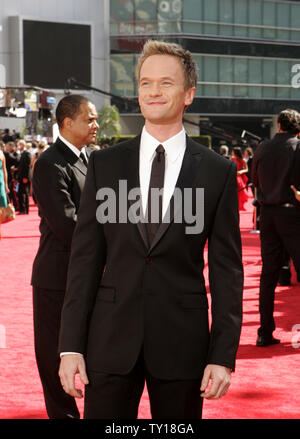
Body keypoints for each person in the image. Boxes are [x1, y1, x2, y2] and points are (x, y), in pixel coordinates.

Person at [58, 40, 243, 419]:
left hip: (182, 342)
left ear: (188, 93)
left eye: (166, 83)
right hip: (108, 340)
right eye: (145, 83)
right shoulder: (104, 165)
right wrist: (70, 346)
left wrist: (223, 355)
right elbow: (84, 260)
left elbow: (227, 270)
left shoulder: (216, 171)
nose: (153, 92)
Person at [31, 94, 99, 419]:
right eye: (90, 119)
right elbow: (66, 223)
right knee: (52, 359)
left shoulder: (89, 160)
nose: (96, 124)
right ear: (68, 122)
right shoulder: (49, 164)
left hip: (88, 274)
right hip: (55, 278)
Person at [251, 108, 300, 347]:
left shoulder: (262, 148)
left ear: (279, 126)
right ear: (297, 129)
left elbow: (255, 181)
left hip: (267, 215)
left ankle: (264, 332)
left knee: (268, 275)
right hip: (292, 214)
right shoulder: (297, 147)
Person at [16, 140, 32, 214]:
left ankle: (25, 209)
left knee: (24, 193)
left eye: (19, 145)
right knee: (21, 193)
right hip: (21, 176)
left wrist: (26, 177)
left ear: (23, 145)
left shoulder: (27, 153)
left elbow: (27, 166)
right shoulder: (22, 154)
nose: (18, 146)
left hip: (24, 177)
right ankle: (22, 209)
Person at [231, 146, 248, 211]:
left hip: (240, 177)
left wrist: (241, 171)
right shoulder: (231, 159)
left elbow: (246, 169)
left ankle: (240, 205)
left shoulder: (243, 160)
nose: (231, 153)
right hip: (233, 176)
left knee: (242, 192)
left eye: (232, 151)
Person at [0, 149, 9, 238]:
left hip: (0, 183)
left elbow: (4, 169)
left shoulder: (1, 153)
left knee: (1, 208)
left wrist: (6, 185)